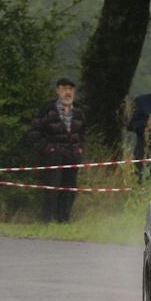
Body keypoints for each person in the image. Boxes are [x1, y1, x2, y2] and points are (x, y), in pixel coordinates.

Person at [28, 77, 88, 223]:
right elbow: (34, 133)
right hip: (54, 156)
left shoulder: (79, 110)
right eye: (64, 89)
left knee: (70, 189)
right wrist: (49, 149)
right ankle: (46, 220)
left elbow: (83, 133)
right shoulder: (47, 110)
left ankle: (64, 219)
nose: (67, 93)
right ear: (57, 90)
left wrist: (81, 149)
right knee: (52, 188)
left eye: (70, 89)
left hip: (73, 155)